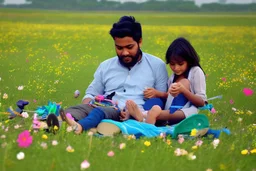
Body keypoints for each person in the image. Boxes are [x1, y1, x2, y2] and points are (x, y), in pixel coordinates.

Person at [60, 15, 168, 134]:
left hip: (138, 113)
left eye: (129, 47)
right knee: (74, 110)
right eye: (119, 48)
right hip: (107, 109)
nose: (125, 52)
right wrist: (90, 104)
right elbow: (91, 93)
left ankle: (83, 125)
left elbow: (161, 100)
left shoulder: (157, 65)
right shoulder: (106, 66)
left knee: (102, 113)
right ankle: (58, 120)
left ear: (140, 42)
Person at [123, 37, 207, 125]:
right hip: (169, 112)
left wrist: (184, 90)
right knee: (155, 106)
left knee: (156, 112)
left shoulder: (196, 72)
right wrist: (156, 93)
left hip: (186, 113)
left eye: (180, 64)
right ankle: (144, 116)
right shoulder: (173, 77)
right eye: (172, 64)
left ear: (189, 61)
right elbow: (170, 97)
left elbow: (201, 102)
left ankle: (143, 116)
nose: (176, 68)